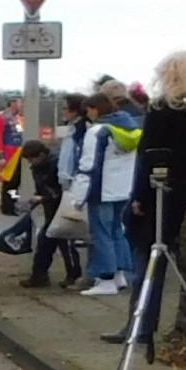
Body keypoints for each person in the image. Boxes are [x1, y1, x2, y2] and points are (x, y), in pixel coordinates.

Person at [117, 51, 186, 347]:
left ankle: (140, 325)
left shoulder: (163, 110)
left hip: (167, 196)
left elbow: (149, 157)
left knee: (150, 266)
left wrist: (140, 197)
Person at [73, 88, 144, 294]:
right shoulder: (131, 129)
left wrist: (78, 196)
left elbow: (88, 165)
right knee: (117, 231)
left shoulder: (97, 132)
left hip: (100, 190)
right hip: (123, 189)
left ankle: (106, 279)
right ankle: (120, 275)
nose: (88, 114)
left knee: (101, 235)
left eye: (89, 110)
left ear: (96, 109)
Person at [22, 96, 83, 287]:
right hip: (52, 209)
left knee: (64, 243)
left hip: (61, 209)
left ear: (40, 155)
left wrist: (42, 197)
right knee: (46, 241)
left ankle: (73, 275)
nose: (31, 163)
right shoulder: (40, 167)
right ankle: (40, 275)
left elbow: (59, 189)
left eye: (32, 159)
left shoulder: (54, 166)